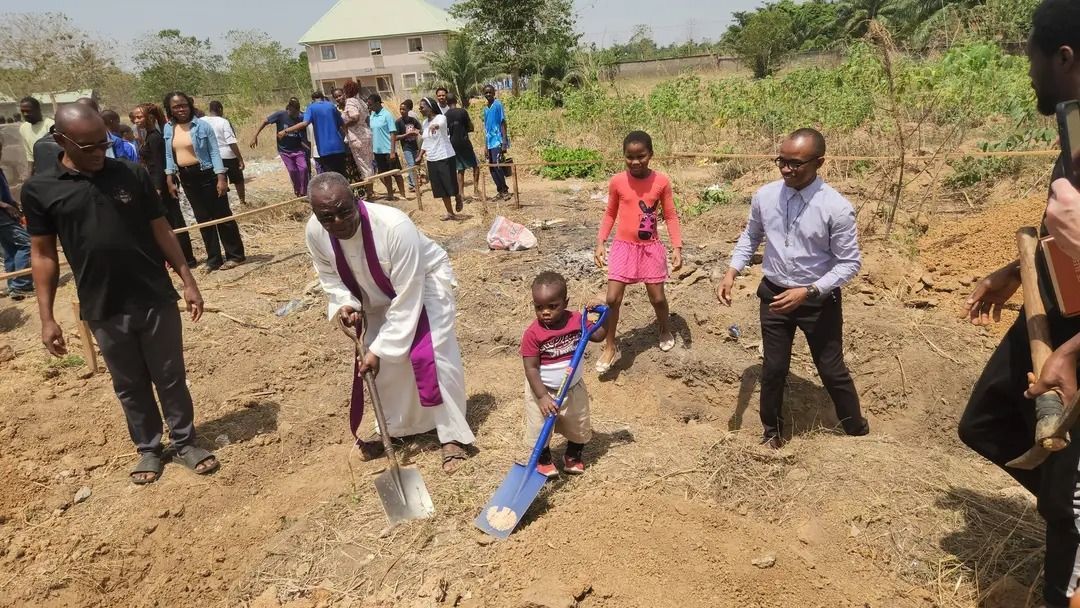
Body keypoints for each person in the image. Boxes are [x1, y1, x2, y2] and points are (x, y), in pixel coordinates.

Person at [23, 103, 218, 484]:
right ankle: (148, 448)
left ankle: (185, 442)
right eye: (88, 146)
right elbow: (43, 254)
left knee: (170, 375)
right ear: (62, 141)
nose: (99, 152)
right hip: (102, 303)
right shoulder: (41, 190)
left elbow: (161, 229)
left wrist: (187, 279)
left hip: (153, 295)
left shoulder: (130, 174)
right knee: (128, 383)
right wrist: (46, 317)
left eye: (104, 144)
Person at [960, 2, 1080, 605]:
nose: (1027, 73)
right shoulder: (1076, 126)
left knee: (1071, 504)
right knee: (985, 421)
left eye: (1032, 58)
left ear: (1065, 58)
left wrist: (1075, 351)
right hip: (1057, 306)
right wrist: (1017, 269)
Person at [303, 172, 475, 473]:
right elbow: (329, 277)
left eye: (345, 211)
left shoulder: (395, 226)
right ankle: (400, 430)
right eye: (327, 217)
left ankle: (452, 436)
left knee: (429, 353)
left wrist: (380, 350)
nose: (339, 222)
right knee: (384, 366)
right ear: (316, 214)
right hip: (374, 295)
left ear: (357, 200)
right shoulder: (315, 232)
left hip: (425, 283)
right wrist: (345, 303)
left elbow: (409, 295)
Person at [718, 128, 867, 449]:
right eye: (781, 161)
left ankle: (857, 431)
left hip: (818, 301)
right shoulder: (766, 196)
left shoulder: (836, 208)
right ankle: (772, 433)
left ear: (819, 162)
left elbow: (849, 263)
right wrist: (732, 270)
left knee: (831, 369)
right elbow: (751, 236)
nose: (786, 169)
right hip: (773, 294)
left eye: (795, 163)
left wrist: (809, 291)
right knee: (773, 369)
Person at [594, 131, 682, 373]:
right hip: (623, 247)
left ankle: (664, 328)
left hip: (650, 249)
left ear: (650, 154)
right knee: (612, 299)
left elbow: (671, 215)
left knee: (658, 298)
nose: (635, 162)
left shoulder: (661, 182)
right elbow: (610, 213)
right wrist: (601, 242)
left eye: (641, 156)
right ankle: (610, 346)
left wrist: (677, 247)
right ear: (624, 157)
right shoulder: (617, 182)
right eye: (629, 157)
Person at [521, 272, 607, 477]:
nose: (545, 312)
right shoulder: (533, 333)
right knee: (539, 427)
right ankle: (543, 458)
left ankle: (573, 455)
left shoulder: (577, 320)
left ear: (565, 302)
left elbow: (598, 334)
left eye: (552, 306)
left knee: (578, 423)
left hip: (572, 387)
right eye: (539, 307)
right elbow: (531, 368)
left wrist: (608, 316)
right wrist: (542, 396)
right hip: (541, 389)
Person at [163, 91, 246, 272]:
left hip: (207, 173)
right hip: (186, 177)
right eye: (176, 106)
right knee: (202, 218)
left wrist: (221, 176)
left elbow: (215, 152)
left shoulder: (202, 126)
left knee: (221, 214)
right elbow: (170, 155)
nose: (181, 109)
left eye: (184, 104)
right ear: (170, 109)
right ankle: (214, 259)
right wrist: (169, 177)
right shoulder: (168, 128)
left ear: (190, 105)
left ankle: (235, 255)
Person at [134, 103, 197, 268]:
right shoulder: (148, 135)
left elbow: (158, 165)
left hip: (162, 186)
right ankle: (177, 258)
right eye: (134, 118)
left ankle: (187, 258)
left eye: (139, 117)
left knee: (175, 221)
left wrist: (158, 188)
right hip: (157, 184)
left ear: (150, 117)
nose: (136, 120)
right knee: (168, 221)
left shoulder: (155, 137)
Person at [251, 98, 311, 197]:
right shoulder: (280, 115)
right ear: (289, 108)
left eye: (298, 111)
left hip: (298, 148)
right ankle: (297, 191)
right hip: (285, 150)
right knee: (292, 170)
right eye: (294, 112)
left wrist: (307, 146)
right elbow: (265, 122)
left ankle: (304, 192)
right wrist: (255, 136)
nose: (296, 115)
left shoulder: (301, 118)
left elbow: (304, 133)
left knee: (304, 168)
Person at [280, 91, 348, 175]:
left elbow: (305, 123)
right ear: (323, 98)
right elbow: (342, 123)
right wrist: (347, 136)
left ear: (313, 100)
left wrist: (286, 130)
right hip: (339, 147)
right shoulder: (331, 106)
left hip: (325, 149)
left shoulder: (311, 107)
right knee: (342, 175)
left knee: (331, 177)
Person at [417, 97, 460, 219]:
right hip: (432, 158)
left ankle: (458, 196)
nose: (420, 109)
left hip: (445, 155)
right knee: (440, 188)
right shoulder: (424, 123)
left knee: (450, 184)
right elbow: (426, 141)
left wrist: (435, 126)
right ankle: (450, 213)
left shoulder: (441, 117)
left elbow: (440, 124)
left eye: (422, 107)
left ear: (430, 107)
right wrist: (420, 155)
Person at [0, 143, 32, 299]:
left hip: (5, 215)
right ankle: (21, 285)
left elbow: (5, 193)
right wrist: (5, 205)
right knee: (26, 244)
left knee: (11, 249)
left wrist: (14, 204)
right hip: (2, 217)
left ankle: (13, 285)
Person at [202, 101, 247, 206]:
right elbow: (231, 141)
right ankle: (242, 201)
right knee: (238, 179)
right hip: (227, 155)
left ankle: (223, 203)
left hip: (211, 156)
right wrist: (240, 158)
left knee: (220, 179)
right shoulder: (223, 121)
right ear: (220, 109)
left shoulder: (202, 121)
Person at [367, 94, 407, 201]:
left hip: (388, 150)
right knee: (385, 174)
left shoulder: (387, 115)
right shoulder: (372, 116)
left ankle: (403, 194)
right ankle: (390, 194)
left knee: (396, 173)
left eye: (370, 104)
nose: (369, 107)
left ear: (377, 103)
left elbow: (393, 133)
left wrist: (392, 151)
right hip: (377, 151)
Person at [341, 80, 375, 197]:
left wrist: (344, 125)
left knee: (363, 166)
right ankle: (370, 190)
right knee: (368, 164)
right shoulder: (360, 101)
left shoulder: (350, 102)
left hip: (357, 137)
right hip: (366, 134)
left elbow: (355, 116)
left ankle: (369, 192)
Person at [444, 94, 480, 202]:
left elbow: (447, 131)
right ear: (456, 100)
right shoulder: (462, 112)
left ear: (447, 102)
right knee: (476, 165)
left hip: (453, 143)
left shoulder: (445, 115)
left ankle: (461, 193)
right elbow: (469, 126)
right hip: (464, 142)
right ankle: (475, 190)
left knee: (460, 169)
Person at [481, 85, 511, 200]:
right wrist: (485, 146)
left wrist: (504, 141)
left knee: (498, 166)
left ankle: (505, 190)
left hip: (497, 141)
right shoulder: (485, 109)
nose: (488, 94)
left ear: (494, 93)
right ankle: (499, 190)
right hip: (490, 142)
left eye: (490, 92)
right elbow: (487, 129)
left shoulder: (498, 105)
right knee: (492, 167)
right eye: (486, 93)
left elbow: (503, 123)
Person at [19, 96, 54, 176]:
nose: (25, 114)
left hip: (53, 169)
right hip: (39, 171)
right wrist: (29, 175)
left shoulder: (50, 125)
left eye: (28, 111)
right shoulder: (23, 128)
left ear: (38, 109)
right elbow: (30, 154)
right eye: (22, 111)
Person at [396, 101, 423, 192]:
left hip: (414, 146)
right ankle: (416, 186)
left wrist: (416, 132)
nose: (402, 111)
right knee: (411, 165)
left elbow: (420, 129)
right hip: (406, 147)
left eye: (404, 109)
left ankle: (411, 184)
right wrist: (406, 135)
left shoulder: (413, 120)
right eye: (400, 109)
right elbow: (396, 137)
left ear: (408, 110)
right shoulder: (398, 122)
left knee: (414, 164)